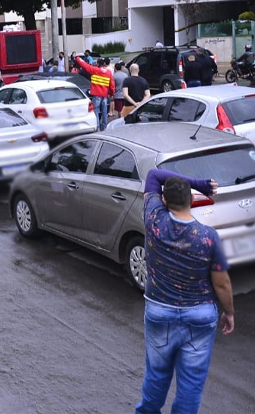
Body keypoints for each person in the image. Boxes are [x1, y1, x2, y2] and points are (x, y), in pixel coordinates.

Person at [136, 169, 233, 414]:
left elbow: (154, 175)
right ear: (191, 201)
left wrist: (198, 183)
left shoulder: (154, 220)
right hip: (199, 316)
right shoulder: (208, 237)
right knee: (191, 383)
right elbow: (222, 283)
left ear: (164, 200)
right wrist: (229, 312)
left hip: (159, 312)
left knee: (157, 374)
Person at [74, 54, 114, 131]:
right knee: (104, 112)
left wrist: (77, 58)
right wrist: (111, 94)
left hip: (96, 95)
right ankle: (105, 127)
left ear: (98, 64)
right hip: (105, 95)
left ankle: (97, 127)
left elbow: (85, 65)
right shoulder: (108, 72)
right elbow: (112, 85)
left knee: (95, 111)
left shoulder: (95, 70)